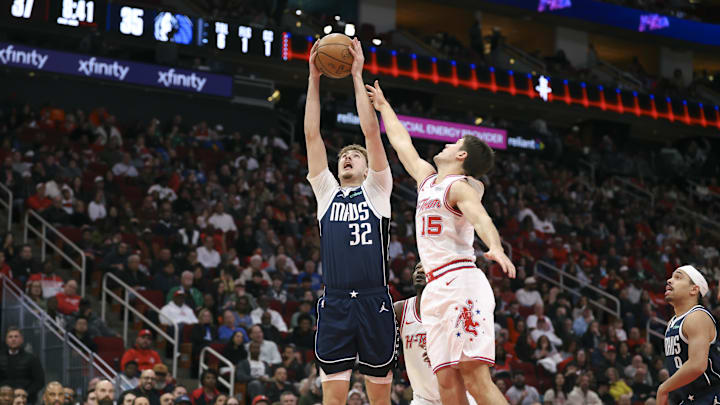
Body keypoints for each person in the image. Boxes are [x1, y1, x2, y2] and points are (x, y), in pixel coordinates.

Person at [367, 81, 515, 405]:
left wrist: (496, 247)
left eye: (453, 143)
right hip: (434, 289)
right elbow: (402, 143)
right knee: (447, 384)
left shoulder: (462, 186)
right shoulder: (427, 179)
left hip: (460, 280)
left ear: (461, 155)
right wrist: (382, 106)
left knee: (475, 378)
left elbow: (481, 217)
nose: (446, 144)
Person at [305, 38, 396, 405]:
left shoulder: (377, 188)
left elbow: (372, 132)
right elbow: (312, 135)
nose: (346, 159)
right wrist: (314, 78)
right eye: (343, 155)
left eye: (354, 156)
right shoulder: (325, 191)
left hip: (375, 300)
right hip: (337, 303)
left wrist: (357, 75)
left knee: (379, 399)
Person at [393, 263, 476, 405]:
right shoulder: (401, 310)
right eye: (417, 269)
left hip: (458, 394)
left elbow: (471, 354)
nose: (420, 272)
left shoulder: (453, 310)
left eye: (425, 269)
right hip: (423, 399)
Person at [657, 265, 720, 405]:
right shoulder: (673, 322)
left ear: (694, 289)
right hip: (689, 398)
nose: (669, 280)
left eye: (678, 277)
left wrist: (663, 388)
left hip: (711, 397)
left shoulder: (697, 316)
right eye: (671, 277)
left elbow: (697, 365)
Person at [0, 328, 45, 403]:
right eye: (10, 337)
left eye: (16, 336)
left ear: (21, 340)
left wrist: (25, 393)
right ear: (6, 340)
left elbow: (39, 381)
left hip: (27, 400)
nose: (13, 339)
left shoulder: (32, 358)